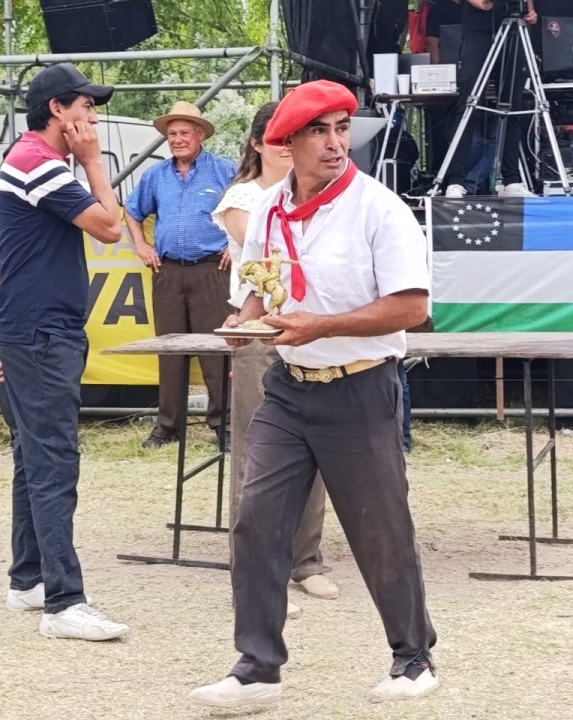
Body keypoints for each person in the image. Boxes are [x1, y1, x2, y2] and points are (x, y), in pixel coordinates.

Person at [190, 79, 437, 709]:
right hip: (289, 387)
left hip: (361, 386)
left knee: (380, 529)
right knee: (255, 521)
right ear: (286, 143)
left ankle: (413, 659)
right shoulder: (268, 207)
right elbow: (257, 285)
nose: (335, 144)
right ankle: (257, 668)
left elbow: (412, 307)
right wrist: (244, 322)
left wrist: (319, 326)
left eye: (341, 129)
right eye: (318, 131)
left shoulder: (378, 208)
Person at [0, 63, 129, 640]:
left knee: (34, 456)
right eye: (87, 106)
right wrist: (95, 162)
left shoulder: (27, 159)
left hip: (31, 331)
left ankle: (28, 579)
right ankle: (63, 603)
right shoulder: (38, 162)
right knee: (53, 461)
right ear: (58, 110)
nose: (92, 118)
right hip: (40, 334)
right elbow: (109, 227)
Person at [211, 102, 339, 622]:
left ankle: (305, 560)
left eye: (294, 136)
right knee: (256, 449)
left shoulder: (322, 196)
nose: (286, 146)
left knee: (317, 444)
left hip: (314, 329)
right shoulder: (244, 198)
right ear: (258, 144)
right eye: (278, 137)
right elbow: (268, 250)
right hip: (261, 331)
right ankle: (254, 564)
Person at [124, 101, 236, 450]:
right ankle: (167, 427)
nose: (177, 139)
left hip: (212, 270)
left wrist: (236, 244)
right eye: (172, 134)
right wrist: (141, 245)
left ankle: (224, 425)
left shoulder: (224, 171)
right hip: (167, 271)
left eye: (184, 132)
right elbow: (131, 211)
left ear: (200, 134)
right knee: (170, 350)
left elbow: (249, 209)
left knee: (217, 351)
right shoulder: (155, 176)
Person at [445, 0, 538, 198]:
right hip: (478, 27)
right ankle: (456, 180)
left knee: (513, 104)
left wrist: (529, 10)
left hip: (514, 23)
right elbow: (481, 4)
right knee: (470, 102)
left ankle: (512, 180)